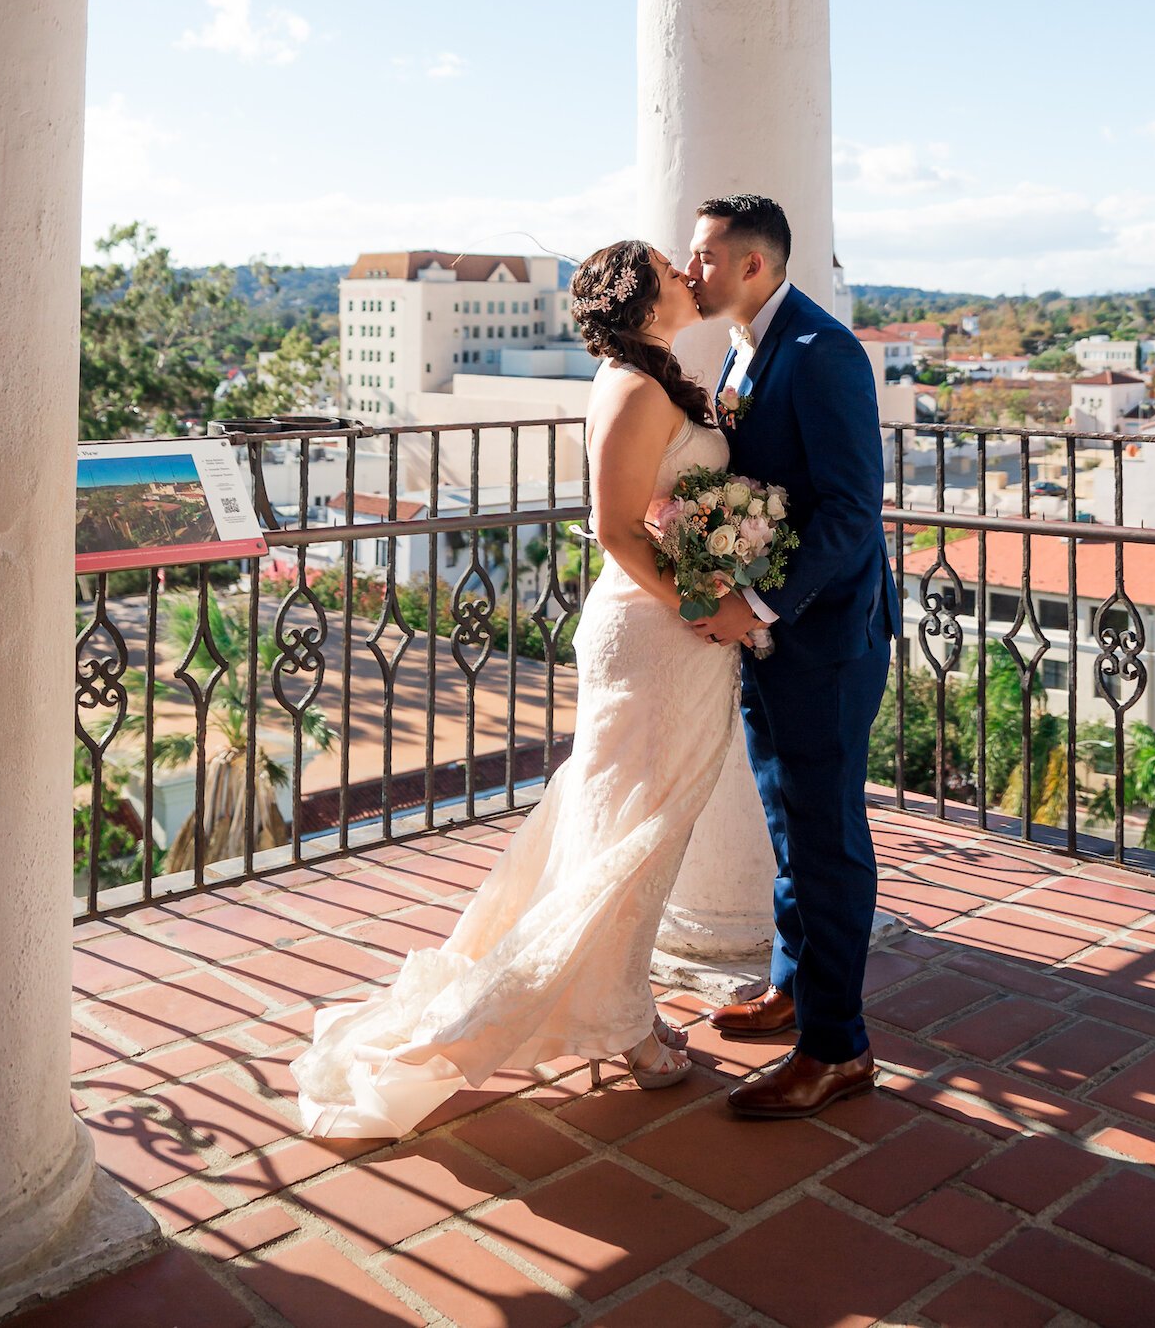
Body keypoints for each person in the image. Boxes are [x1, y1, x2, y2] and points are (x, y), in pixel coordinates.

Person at [290, 239, 762, 1139]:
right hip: (656, 635)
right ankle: (625, 1025)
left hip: (681, 632)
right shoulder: (629, 387)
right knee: (634, 830)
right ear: (638, 293)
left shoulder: (656, 380)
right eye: (670, 266)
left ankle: (616, 1006)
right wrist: (706, 602)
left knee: (636, 828)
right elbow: (616, 529)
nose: (684, 274)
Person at [685, 194, 900, 1120]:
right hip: (771, 632)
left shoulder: (823, 352)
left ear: (753, 266)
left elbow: (854, 511)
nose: (689, 270)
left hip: (825, 637)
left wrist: (756, 602)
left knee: (828, 838)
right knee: (787, 819)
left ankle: (838, 1048)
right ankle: (790, 984)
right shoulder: (742, 341)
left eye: (703, 257)